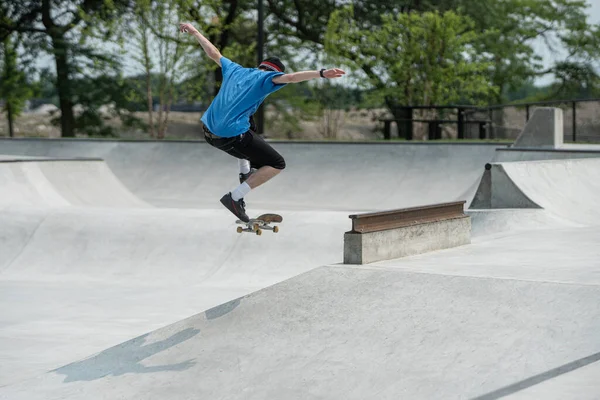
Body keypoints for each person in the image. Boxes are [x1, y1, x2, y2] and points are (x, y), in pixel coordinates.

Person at [179, 22, 346, 222]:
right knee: (277, 163)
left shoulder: (235, 70)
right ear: (273, 72)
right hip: (230, 135)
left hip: (208, 132)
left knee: (250, 126)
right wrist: (321, 73)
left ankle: (245, 173)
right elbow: (292, 78)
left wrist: (195, 31)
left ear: (261, 65)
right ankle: (235, 197)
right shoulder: (268, 78)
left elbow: (213, 52)